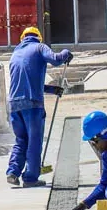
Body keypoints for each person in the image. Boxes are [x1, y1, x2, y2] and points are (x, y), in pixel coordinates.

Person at [6, 26, 72, 187]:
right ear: (38, 38)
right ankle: (30, 178)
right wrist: (66, 53)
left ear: (23, 38)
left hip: (14, 105)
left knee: (21, 140)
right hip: (32, 105)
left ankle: (12, 172)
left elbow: (26, 83)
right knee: (34, 141)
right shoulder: (40, 47)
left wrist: (52, 89)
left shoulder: (15, 54)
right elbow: (56, 59)